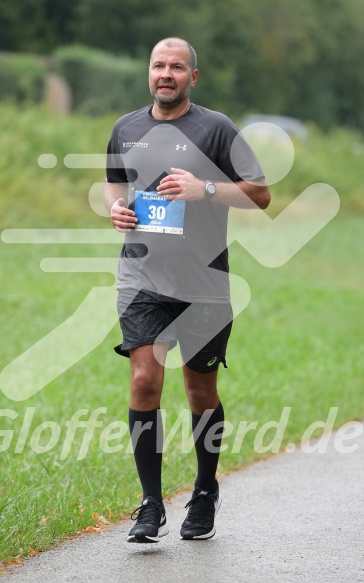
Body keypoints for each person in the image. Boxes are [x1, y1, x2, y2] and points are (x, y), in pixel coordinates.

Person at [104, 37, 270, 543]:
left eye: (177, 66)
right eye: (159, 65)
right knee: (143, 381)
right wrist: (115, 208)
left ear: (193, 77)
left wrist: (208, 189)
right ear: (148, 72)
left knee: (200, 391)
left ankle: (204, 490)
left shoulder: (216, 129)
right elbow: (114, 181)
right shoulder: (126, 128)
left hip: (204, 281)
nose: (166, 73)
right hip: (142, 276)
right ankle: (150, 504)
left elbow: (260, 194)